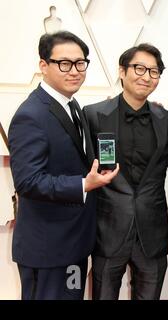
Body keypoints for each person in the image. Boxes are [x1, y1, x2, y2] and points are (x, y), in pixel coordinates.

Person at [8, 31, 119, 300]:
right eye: (64, 64)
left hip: (73, 244)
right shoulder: (30, 115)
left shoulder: (71, 105)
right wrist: (83, 184)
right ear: (43, 66)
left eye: (81, 63)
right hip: (48, 250)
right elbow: (28, 181)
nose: (75, 71)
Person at [84, 44, 168, 300]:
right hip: (107, 230)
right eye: (139, 68)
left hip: (152, 232)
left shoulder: (167, 119)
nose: (146, 76)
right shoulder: (93, 115)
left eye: (154, 71)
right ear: (122, 71)